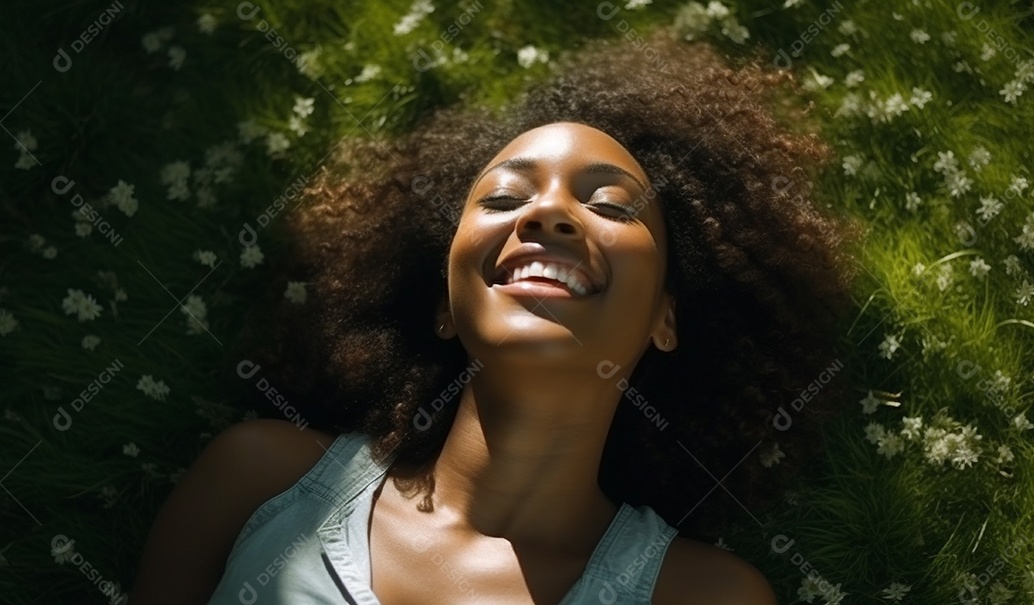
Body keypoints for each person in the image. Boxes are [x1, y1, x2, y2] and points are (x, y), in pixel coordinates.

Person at [130, 30, 855, 604]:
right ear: (446, 304)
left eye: (609, 206)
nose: (549, 213)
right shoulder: (261, 478)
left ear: (667, 318)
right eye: (506, 199)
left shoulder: (701, 596)